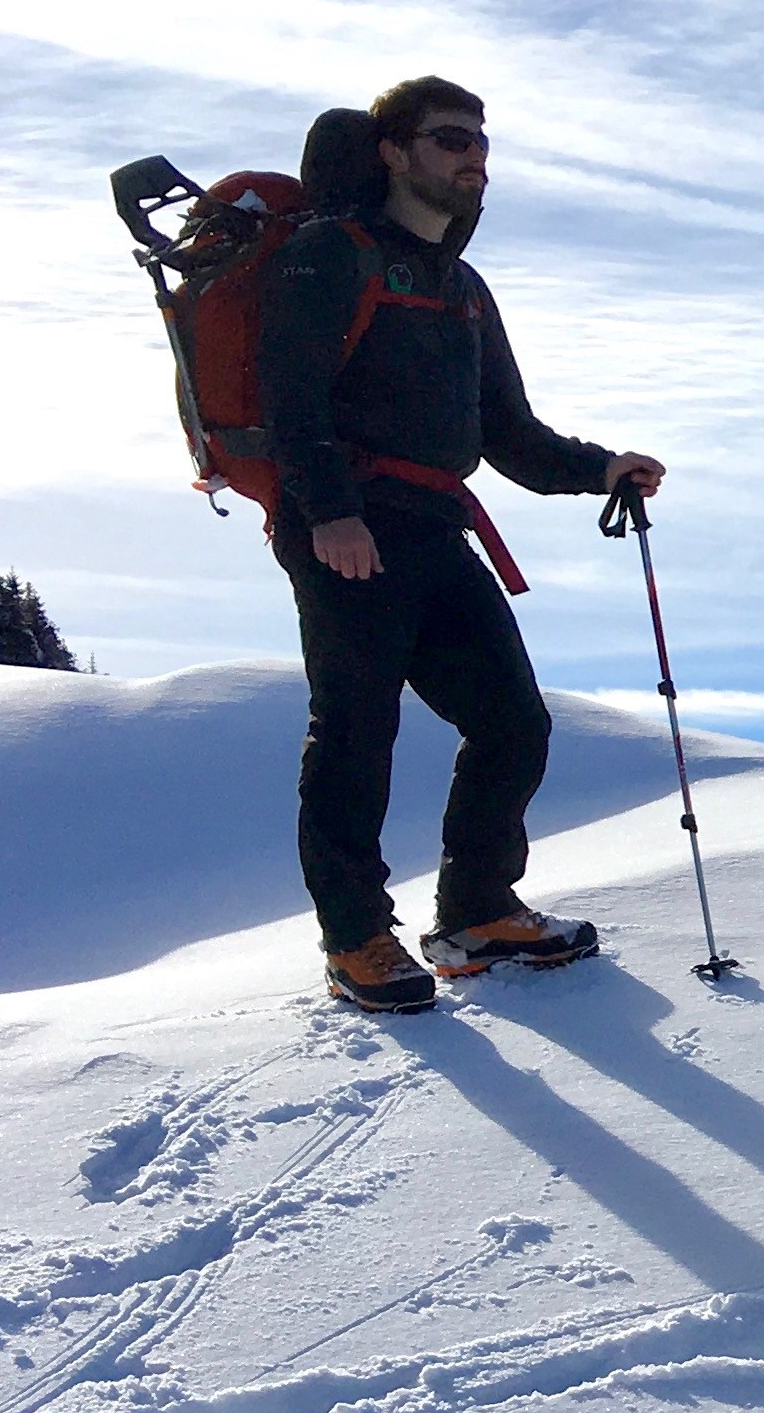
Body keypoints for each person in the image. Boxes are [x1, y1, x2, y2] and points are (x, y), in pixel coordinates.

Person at [257, 77, 662, 1014]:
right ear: (394, 153)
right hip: (349, 525)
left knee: (514, 723)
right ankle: (355, 936)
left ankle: (476, 910)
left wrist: (604, 468)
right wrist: (328, 514)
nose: (473, 159)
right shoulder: (330, 254)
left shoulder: (463, 288)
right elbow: (292, 398)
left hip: (435, 528)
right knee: (356, 730)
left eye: (481, 144)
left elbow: (508, 434)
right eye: (450, 141)